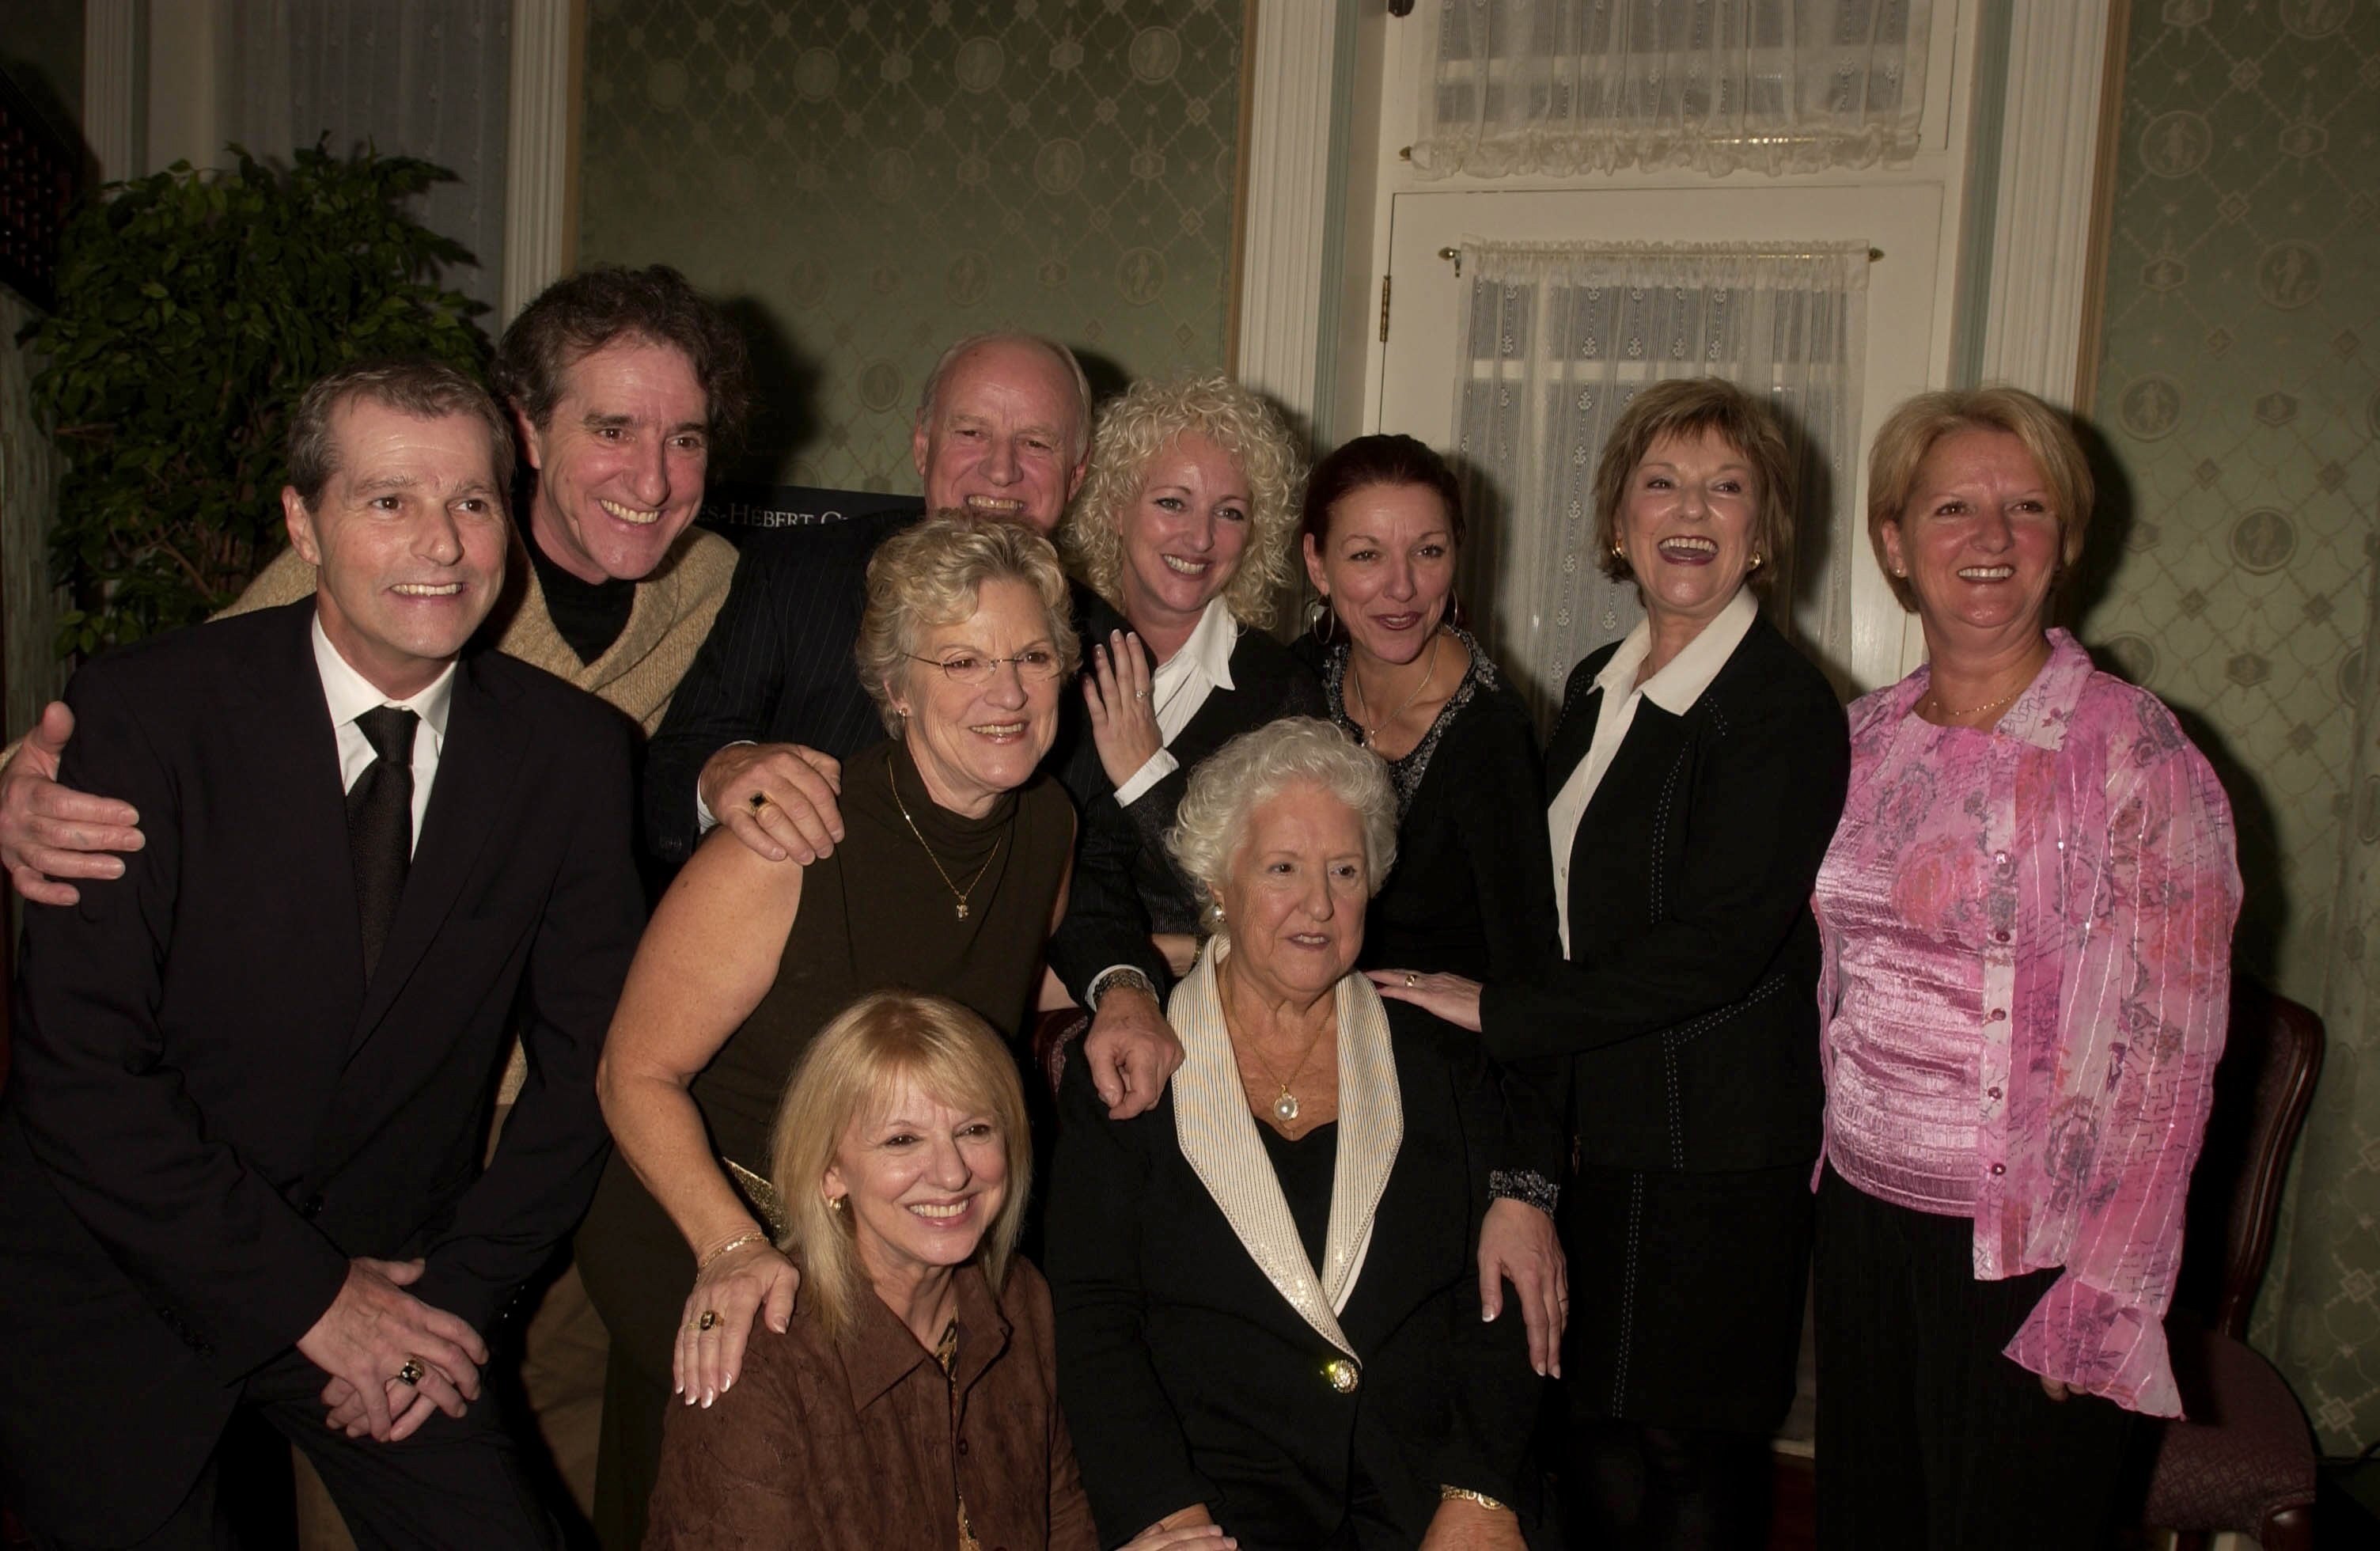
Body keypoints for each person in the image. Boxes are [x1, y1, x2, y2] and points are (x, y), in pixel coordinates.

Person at [0, 359, 645, 1549]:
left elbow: (586, 1077)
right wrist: (308, 1301)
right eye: (389, 500)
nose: (441, 545)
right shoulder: (148, 714)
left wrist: (454, 1297)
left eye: (473, 502)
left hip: (397, 1278)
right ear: (303, 522)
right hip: (123, 1269)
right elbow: (79, 1075)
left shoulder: (573, 757)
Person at [1376, 379, 1851, 1549]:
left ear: (1765, 526)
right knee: (1586, 1434)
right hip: (1592, 1135)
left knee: (1691, 1453)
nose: (1692, 511)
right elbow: (1543, 903)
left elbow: (1716, 950)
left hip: (1714, 1154)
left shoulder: (1782, 708)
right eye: (1662, 482)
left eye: (1727, 487)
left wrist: (1507, 1011)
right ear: (1619, 518)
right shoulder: (1597, 681)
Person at [578, 515, 1081, 1548]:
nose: (1010, 691)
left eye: (1033, 656)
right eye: (964, 661)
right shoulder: (791, 837)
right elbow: (632, 1073)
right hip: (708, 1206)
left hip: (891, 1209)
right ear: (896, 687)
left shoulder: (1047, 826)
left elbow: (1019, 989)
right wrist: (725, 1247)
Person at [1810, 388, 2238, 1549]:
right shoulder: (1853, 741)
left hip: (2038, 1249)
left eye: (2027, 508)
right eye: (1953, 508)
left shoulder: (2135, 753)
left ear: (2068, 541)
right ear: (1895, 544)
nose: (1990, 539)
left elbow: (2172, 1048)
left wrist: (2105, 1291)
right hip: (1863, 1223)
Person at [0, 263, 748, 908]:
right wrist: (15, 787)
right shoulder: (407, 565)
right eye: (612, 431)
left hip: (560, 1029)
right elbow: (190, 696)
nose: (653, 483)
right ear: (525, 431)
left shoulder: (714, 585)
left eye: (685, 439)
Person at [640, 331, 1182, 1121]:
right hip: (761, 1051)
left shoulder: (1095, 644)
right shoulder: (796, 576)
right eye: (972, 433)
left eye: (1035, 443)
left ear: (1076, 472)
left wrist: (1125, 986)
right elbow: (666, 768)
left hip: (943, 1081)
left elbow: (1090, 867)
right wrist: (723, 774)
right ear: (922, 444)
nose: (1000, 471)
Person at [1047, 717, 1542, 1549]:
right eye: (1282, 869)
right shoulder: (1130, 1070)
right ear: (1218, 883)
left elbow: (1495, 1296)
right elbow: (1093, 1318)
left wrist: (1482, 1494)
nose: (1319, 904)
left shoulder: (1437, 1061)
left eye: (1344, 871)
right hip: (1215, 1508)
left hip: (1426, 1497)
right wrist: (1159, 1510)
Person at [645, 989, 1229, 1551]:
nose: (952, 1174)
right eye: (902, 1140)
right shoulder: (756, 1360)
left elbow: (1064, 1523)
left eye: (975, 1130)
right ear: (830, 1173)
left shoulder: (1016, 1299)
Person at [1298, 434, 1569, 1367]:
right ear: (1315, 562)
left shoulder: (1489, 736)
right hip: (1295, 1083)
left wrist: (1523, 1189)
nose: (1400, 587)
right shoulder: (1292, 689)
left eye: (1428, 551)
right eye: (1365, 554)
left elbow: (1535, 977)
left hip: (1437, 1118)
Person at [1045, 370, 1321, 1017]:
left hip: (1210, 1028)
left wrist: (1147, 777)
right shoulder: (1046, 647)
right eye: (1173, 503)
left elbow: (1283, 902)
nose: (1200, 539)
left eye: (1230, 513)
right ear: (1116, 504)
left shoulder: (1280, 690)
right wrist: (1165, 947)